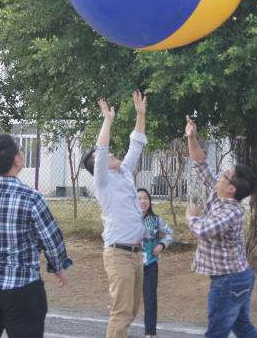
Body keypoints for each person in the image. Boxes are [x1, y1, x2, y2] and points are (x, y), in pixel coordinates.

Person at [0, 133, 73, 338]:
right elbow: (51, 239)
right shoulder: (31, 197)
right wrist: (59, 267)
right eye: (20, 149)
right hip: (22, 286)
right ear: (17, 160)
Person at [183, 116, 257, 338]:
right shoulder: (217, 193)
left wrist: (191, 218)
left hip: (230, 281)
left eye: (225, 175)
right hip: (236, 277)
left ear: (231, 189)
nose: (220, 175)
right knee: (243, 328)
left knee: (216, 333)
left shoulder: (232, 212)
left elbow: (204, 229)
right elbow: (201, 164)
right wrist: (192, 137)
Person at [81, 91, 149, 338]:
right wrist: (107, 120)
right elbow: (101, 152)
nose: (111, 154)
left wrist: (140, 115)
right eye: (105, 157)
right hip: (118, 253)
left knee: (131, 310)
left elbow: (136, 145)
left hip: (136, 253)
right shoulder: (103, 182)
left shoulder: (124, 172)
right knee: (121, 311)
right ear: (98, 166)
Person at [137, 188, 175, 338]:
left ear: (150, 201)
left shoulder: (156, 219)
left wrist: (161, 245)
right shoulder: (127, 219)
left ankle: (149, 334)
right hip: (130, 266)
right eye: (139, 198)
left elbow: (170, 233)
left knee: (150, 300)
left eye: (146, 198)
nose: (142, 201)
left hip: (150, 265)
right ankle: (120, 332)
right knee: (127, 300)